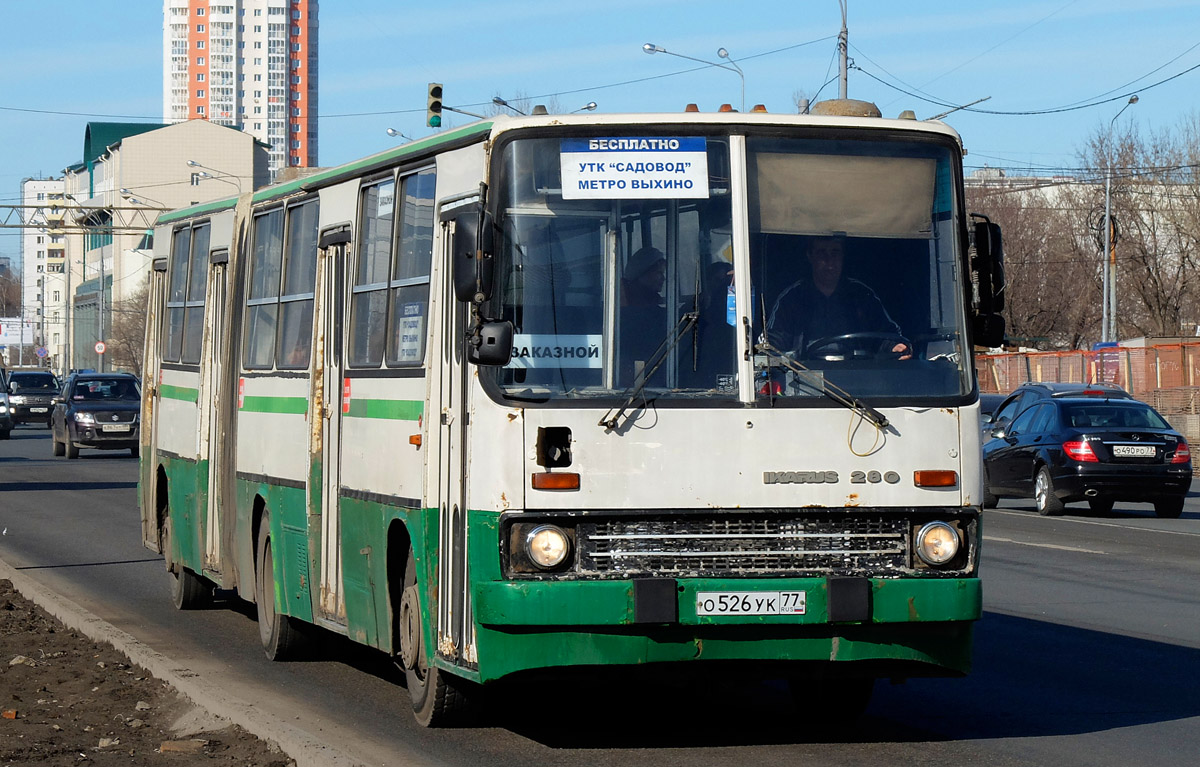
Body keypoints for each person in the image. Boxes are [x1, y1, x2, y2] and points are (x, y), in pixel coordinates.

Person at [766, 236, 910, 359]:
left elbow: (885, 335)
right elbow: (772, 347)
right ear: (810, 256)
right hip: (805, 382)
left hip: (860, 380)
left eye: (835, 253)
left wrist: (895, 347)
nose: (829, 261)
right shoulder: (791, 299)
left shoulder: (862, 295)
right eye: (822, 253)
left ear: (842, 256)